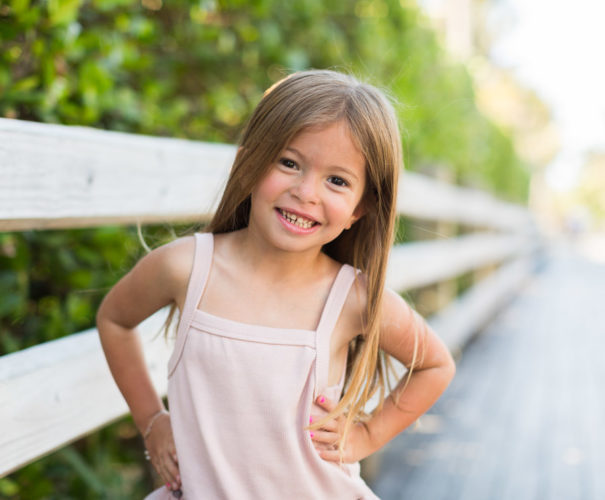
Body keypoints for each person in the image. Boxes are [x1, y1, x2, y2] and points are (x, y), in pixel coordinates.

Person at [96, 69, 456, 499]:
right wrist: (152, 421)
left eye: (337, 181)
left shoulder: (352, 298)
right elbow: (114, 319)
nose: (306, 192)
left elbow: (435, 365)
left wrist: (365, 437)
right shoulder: (186, 267)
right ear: (250, 162)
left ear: (361, 208)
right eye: (289, 163)